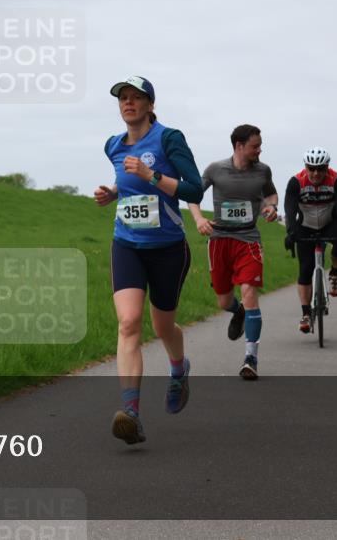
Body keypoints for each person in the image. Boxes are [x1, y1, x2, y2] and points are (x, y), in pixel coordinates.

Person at [95, 76, 203, 444]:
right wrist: (111, 192)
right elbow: (125, 183)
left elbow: (194, 187)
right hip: (126, 243)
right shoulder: (112, 144)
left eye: (136, 98)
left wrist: (152, 174)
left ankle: (178, 370)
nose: (128, 103)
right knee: (128, 324)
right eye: (123, 98)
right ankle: (131, 413)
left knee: (163, 328)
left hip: (169, 248)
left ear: (150, 104)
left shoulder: (169, 138)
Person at [188, 124, 278, 380]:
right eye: (255, 146)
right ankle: (237, 311)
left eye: (260, 145)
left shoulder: (263, 170)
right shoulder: (216, 169)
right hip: (219, 240)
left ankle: (251, 358)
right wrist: (198, 220)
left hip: (248, 239)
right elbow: (192, 195)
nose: (259, 150)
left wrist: (271, 208)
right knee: (224, 301)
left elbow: (271, 194)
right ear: (239, 146)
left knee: (249, 292)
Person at [283, 147, 337, 333]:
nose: (315, 173)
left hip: (329, 222)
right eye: (311, 168)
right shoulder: (296, 182)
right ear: (305, 167)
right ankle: (306, 314)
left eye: (320, 169)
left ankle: (334, 273)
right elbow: (289, 209)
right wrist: (290, 233)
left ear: (327, 167)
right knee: (305, 269)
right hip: (305, 224)